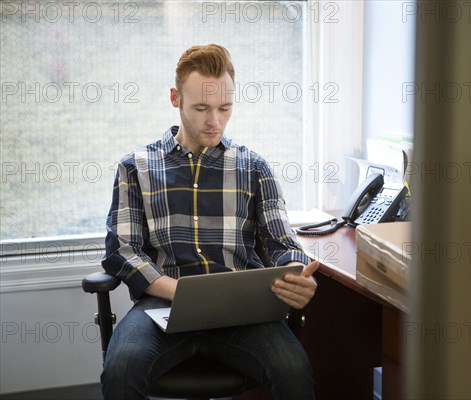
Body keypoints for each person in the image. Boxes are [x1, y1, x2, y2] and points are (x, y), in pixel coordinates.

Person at [100, 44, 319, 400]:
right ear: (176, 98)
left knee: (293, 370)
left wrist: (295, 274)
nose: (214, 120)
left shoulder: (253, 168)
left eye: (224, 108)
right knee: (122, 369)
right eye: (201, 108)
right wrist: (180, 293)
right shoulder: (135, 167)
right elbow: (122, 252)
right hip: (163, 307)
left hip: (241, 313)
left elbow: (283, 244)